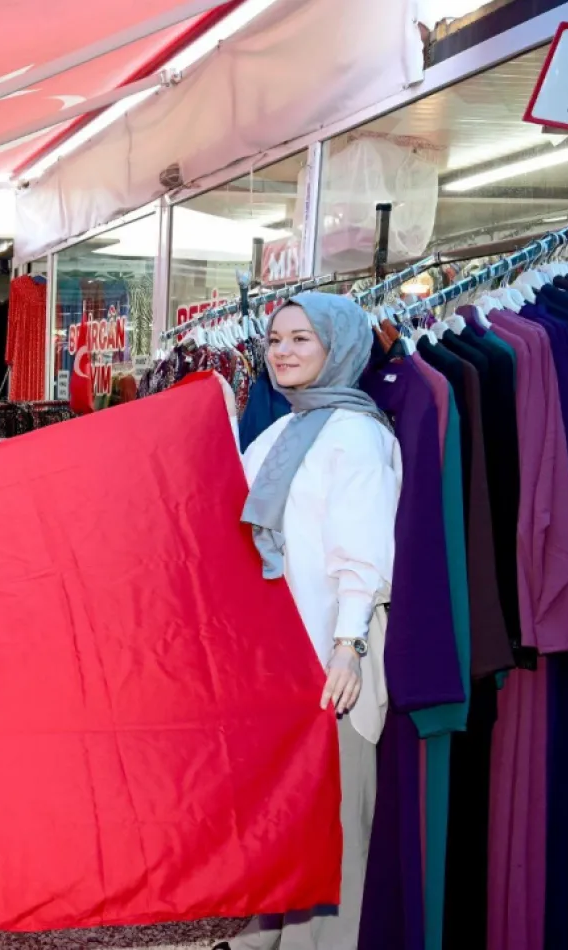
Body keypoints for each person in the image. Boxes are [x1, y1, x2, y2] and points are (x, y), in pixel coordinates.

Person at [228, 293, 400, 950]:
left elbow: (363, 556)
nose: (283, 351)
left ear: (341, 346)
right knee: (278, 837)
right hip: (277, 672)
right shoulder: (280, 432)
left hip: (332, 672)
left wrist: (349, 647)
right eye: (275, 339)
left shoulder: (357, 435)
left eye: (302, 338)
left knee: (330, 847)